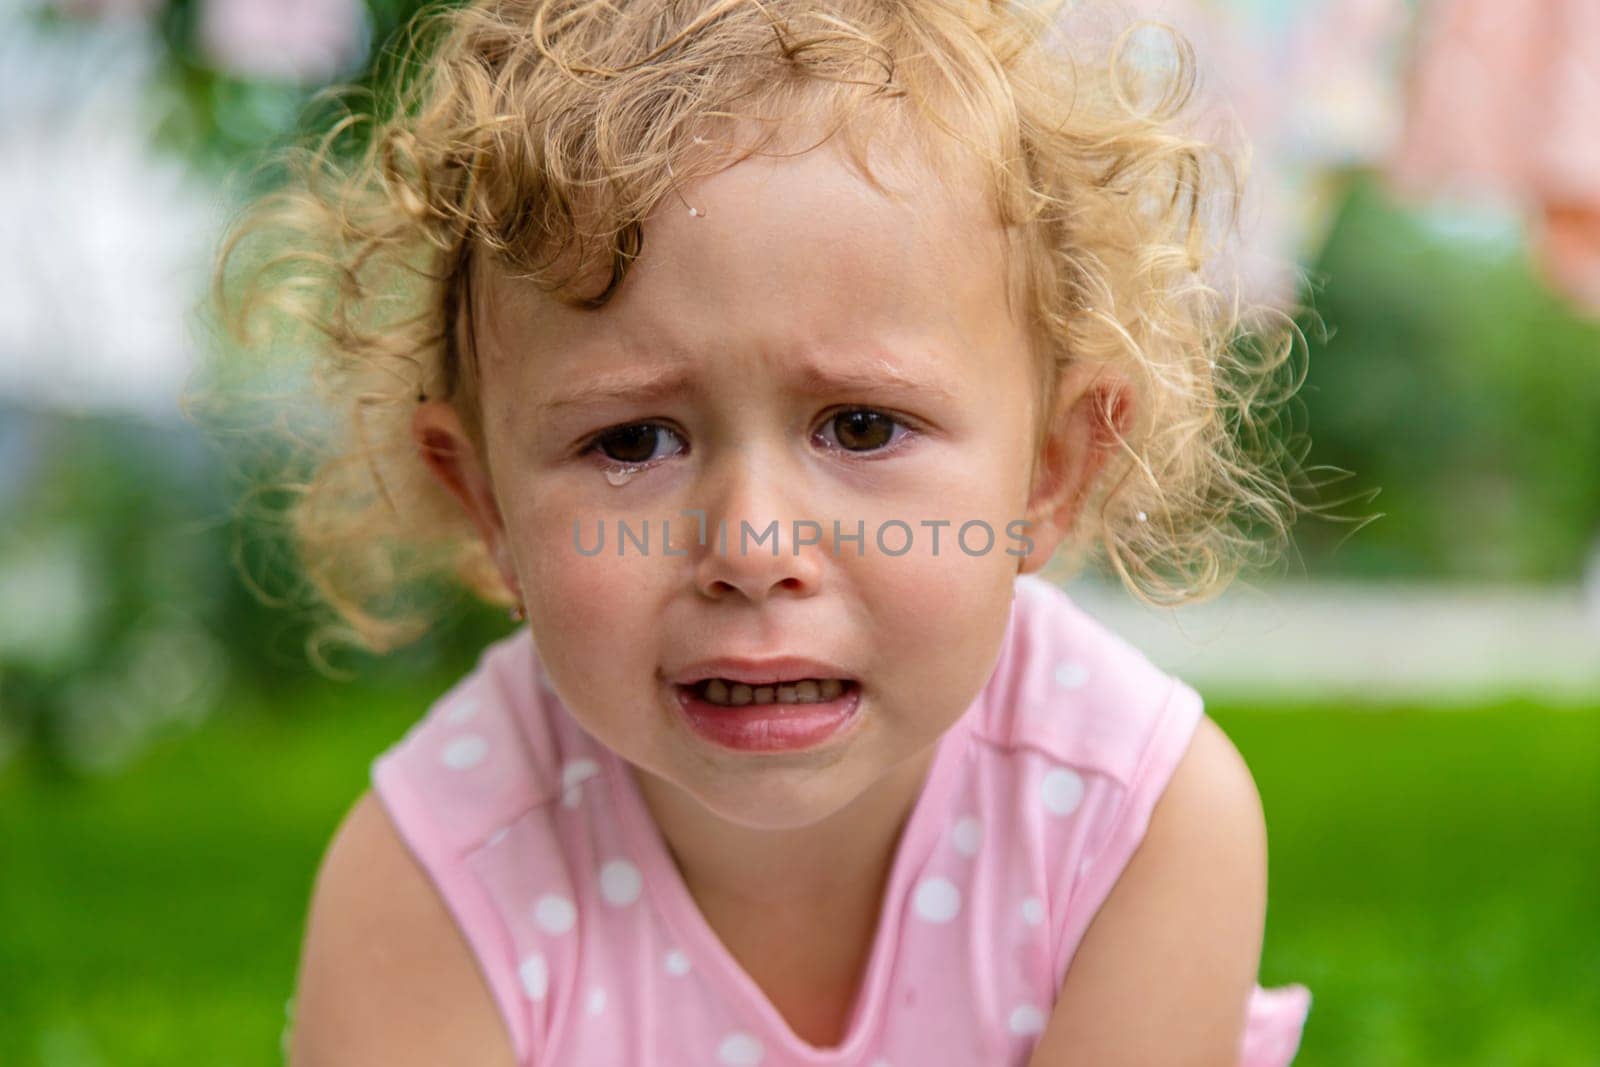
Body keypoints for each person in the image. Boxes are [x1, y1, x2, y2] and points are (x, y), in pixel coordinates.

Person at [210, 0, 1313, 1062]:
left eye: (861, 425)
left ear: (1051, 472)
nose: (749, 547)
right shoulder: (439, 873)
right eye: (634, 441)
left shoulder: (1133, 823)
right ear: (485, 503)